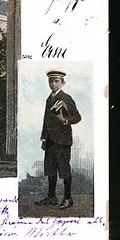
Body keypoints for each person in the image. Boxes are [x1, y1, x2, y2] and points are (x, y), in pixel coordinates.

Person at [35, 69, 82, 209]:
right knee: (50, 169)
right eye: (51, 81)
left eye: (56, 81)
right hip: (50, 141)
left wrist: (66, 120)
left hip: (62, 141)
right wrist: (44, 139)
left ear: (62, 83)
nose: (53, 84)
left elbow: (77, 117)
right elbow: (46, 120)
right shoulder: (49, 99)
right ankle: (51, 197)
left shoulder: (66, 98)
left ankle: (68, 198)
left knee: (64, 169)